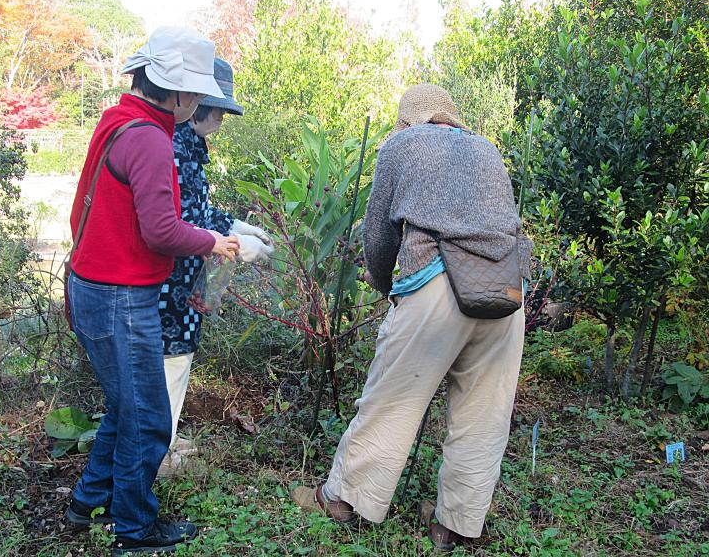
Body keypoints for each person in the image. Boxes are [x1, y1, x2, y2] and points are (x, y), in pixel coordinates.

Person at [292, 84, 532, 551]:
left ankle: (346, 501)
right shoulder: (486, 148)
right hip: (505, 291)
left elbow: (379, 237)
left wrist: (389, 289)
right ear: (451, 117)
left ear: (407, 121)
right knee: (485, 412)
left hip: (439, 284)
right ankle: (458, 525)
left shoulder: (401, 145)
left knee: (393, 398)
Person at [65, 27, 240, 556]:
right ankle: (134, 529)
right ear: (182, 94)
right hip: (120, 295)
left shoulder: (119, 120)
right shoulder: (147, 136)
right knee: (149, 416)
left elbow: (84, 211)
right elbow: (162, 231)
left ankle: (86, 502)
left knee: (125, 407)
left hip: (92, 285)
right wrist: (214, 241)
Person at [157, 57, 273, 477]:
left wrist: (242, 226)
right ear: (198, 103)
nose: (222, 117)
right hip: (167, 278)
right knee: (171, 359)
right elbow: (185, 219)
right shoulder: (174, 145)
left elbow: (201, 209)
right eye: (220, 108)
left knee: (179, 355)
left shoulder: (186, 143)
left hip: (181, 276)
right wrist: (240, 246)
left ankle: (164, 435)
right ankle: (160, 452)